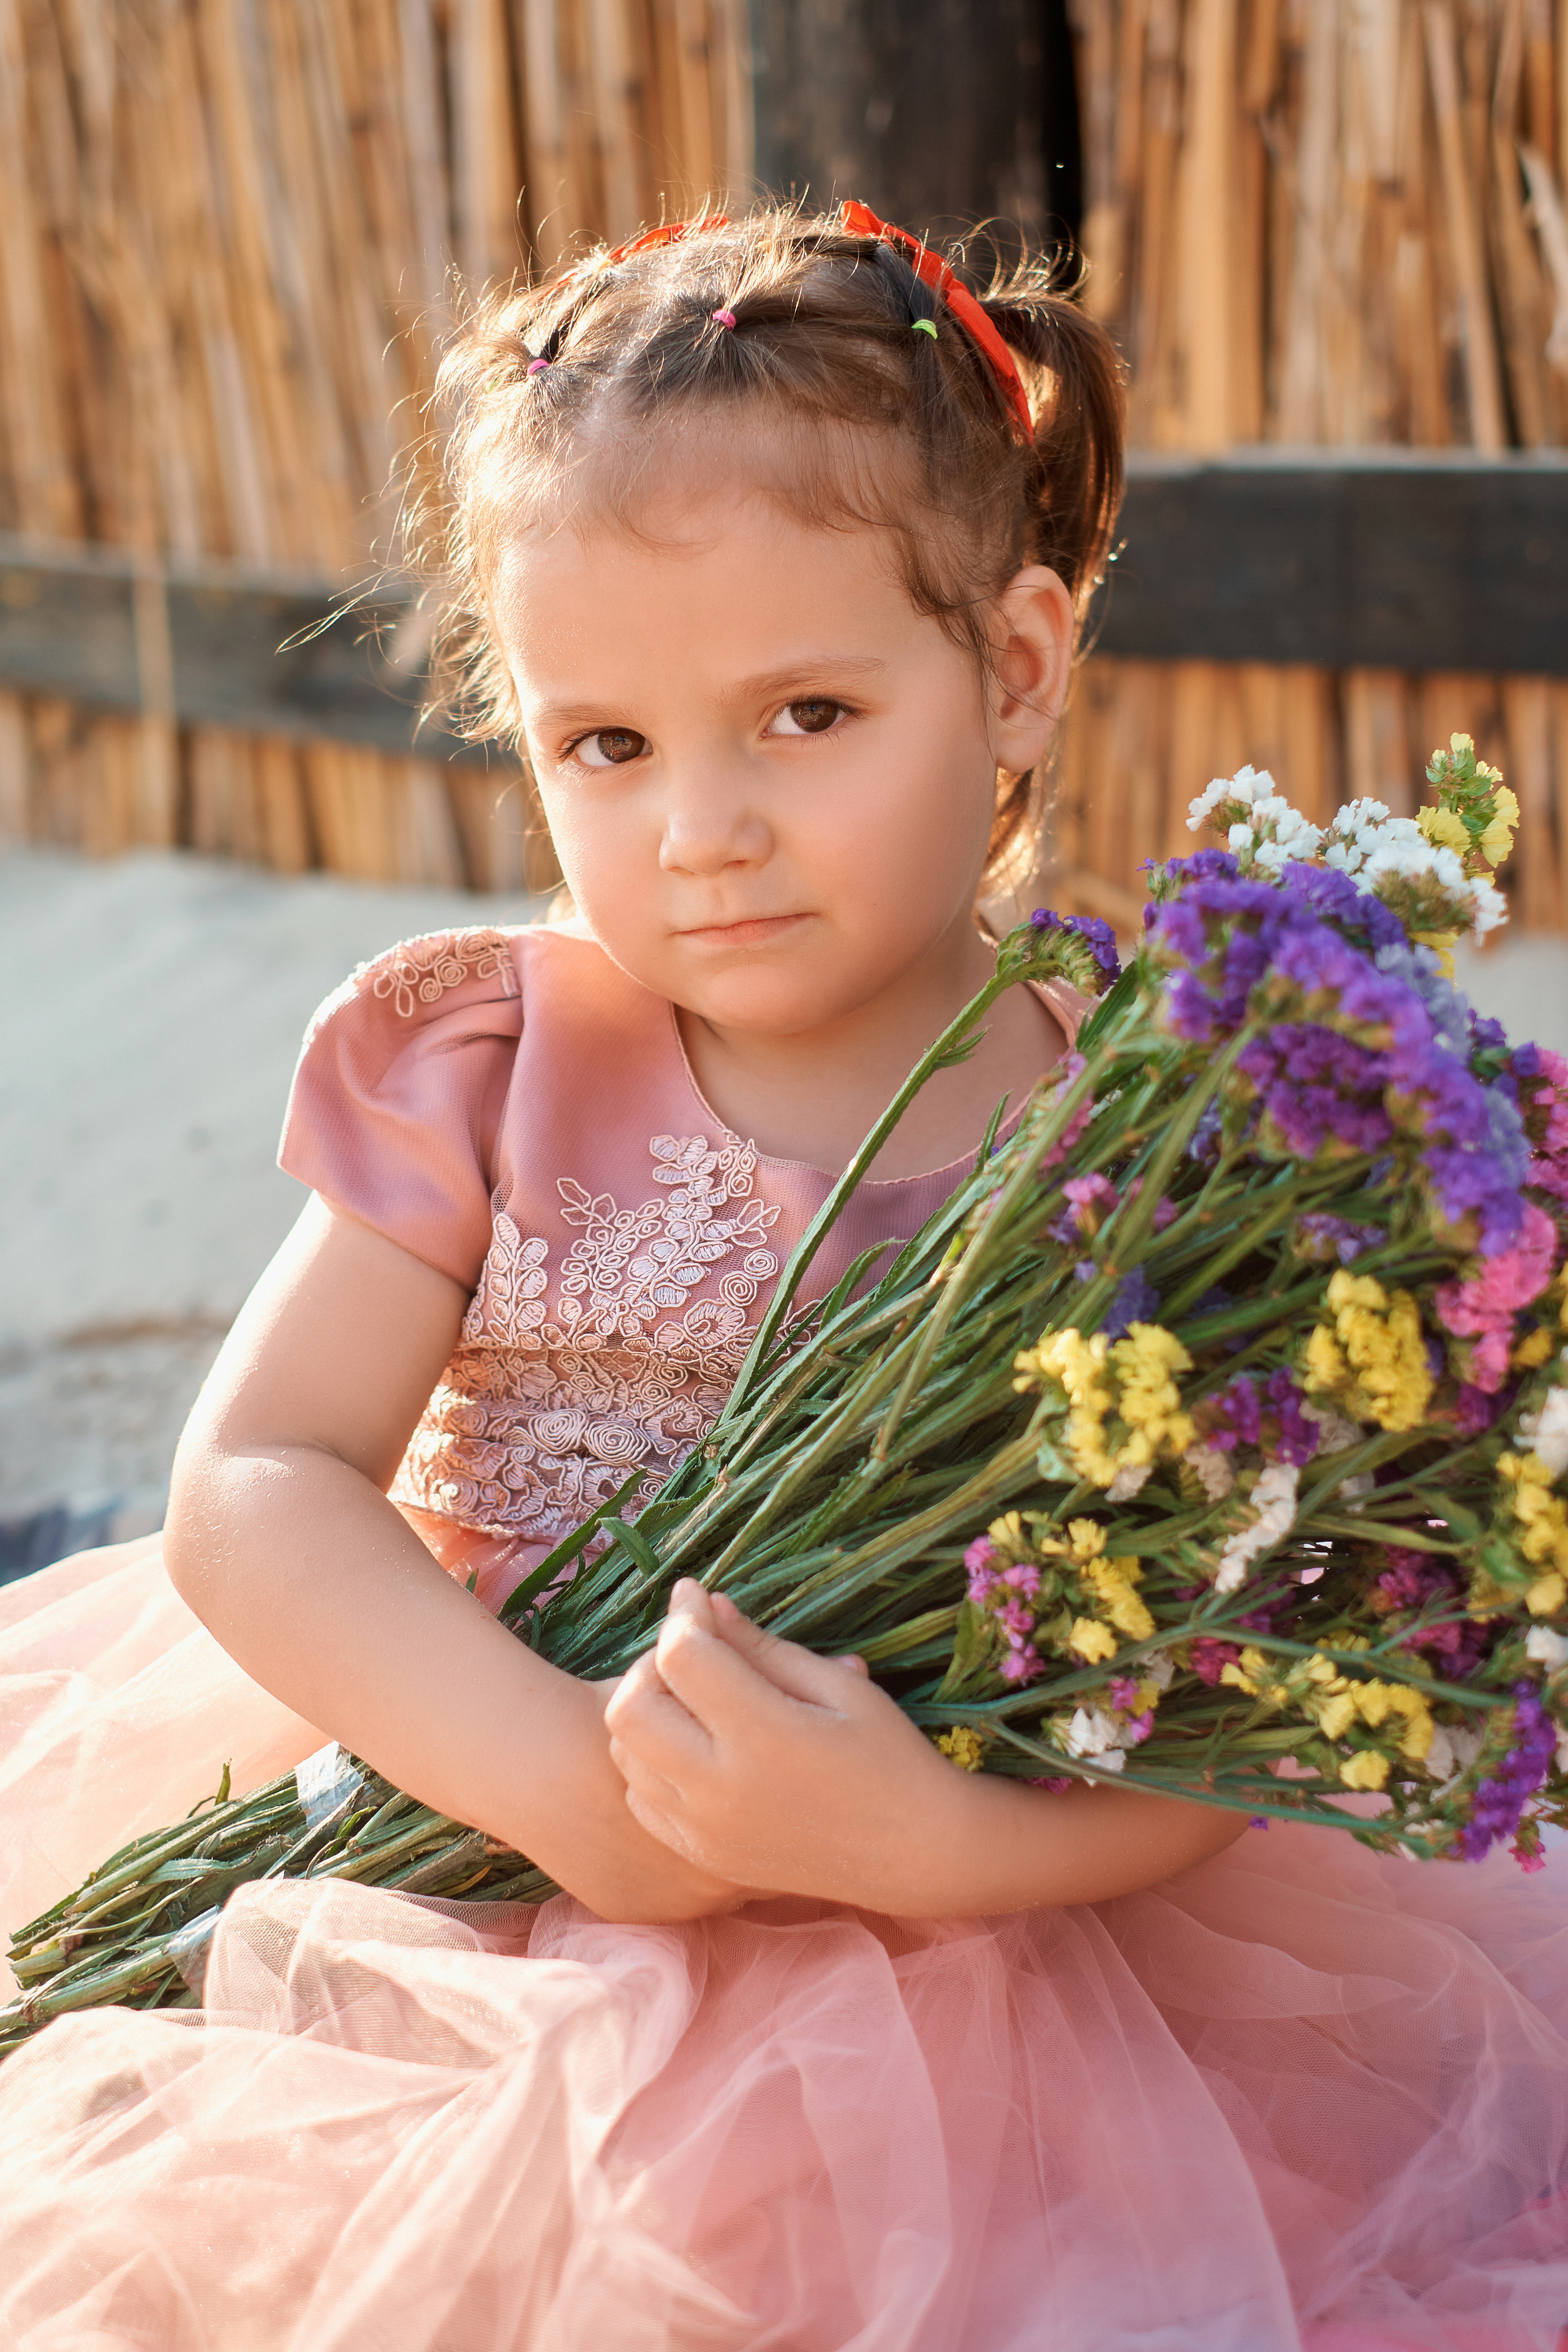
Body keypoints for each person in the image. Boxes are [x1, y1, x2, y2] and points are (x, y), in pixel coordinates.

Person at [1, 203, 1564, 2352]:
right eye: (606, 747)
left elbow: (1225, 1705)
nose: (699, 828)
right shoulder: (490, 1058)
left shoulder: (1134, 1137)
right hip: (465, 1848)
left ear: (1013, 671)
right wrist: (551, 1779)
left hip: (979, 1960)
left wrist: (933, 1849)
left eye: (804, 714)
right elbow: (256, 1482)